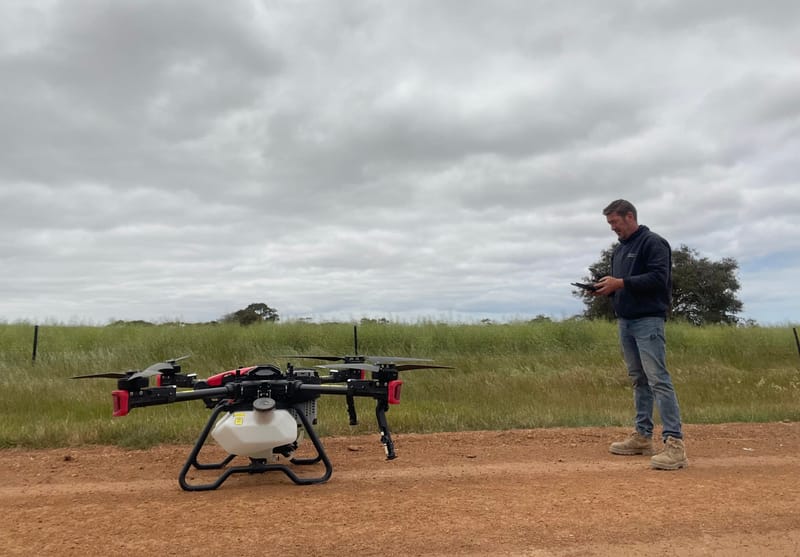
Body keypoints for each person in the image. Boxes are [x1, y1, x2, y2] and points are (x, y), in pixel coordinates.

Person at [592, 199, 688, 470]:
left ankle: (675, 444)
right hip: (626, 321)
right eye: (609, 223)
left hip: (648, 321)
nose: (612, 228)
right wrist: (606, 287)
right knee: (639, 379)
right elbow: (626, 284)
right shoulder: (620, 251)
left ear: (630, 216)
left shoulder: (653, 243)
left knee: (659, 380)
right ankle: (643, 437)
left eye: (615, 222)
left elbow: (660, 278)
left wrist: (620, 283)